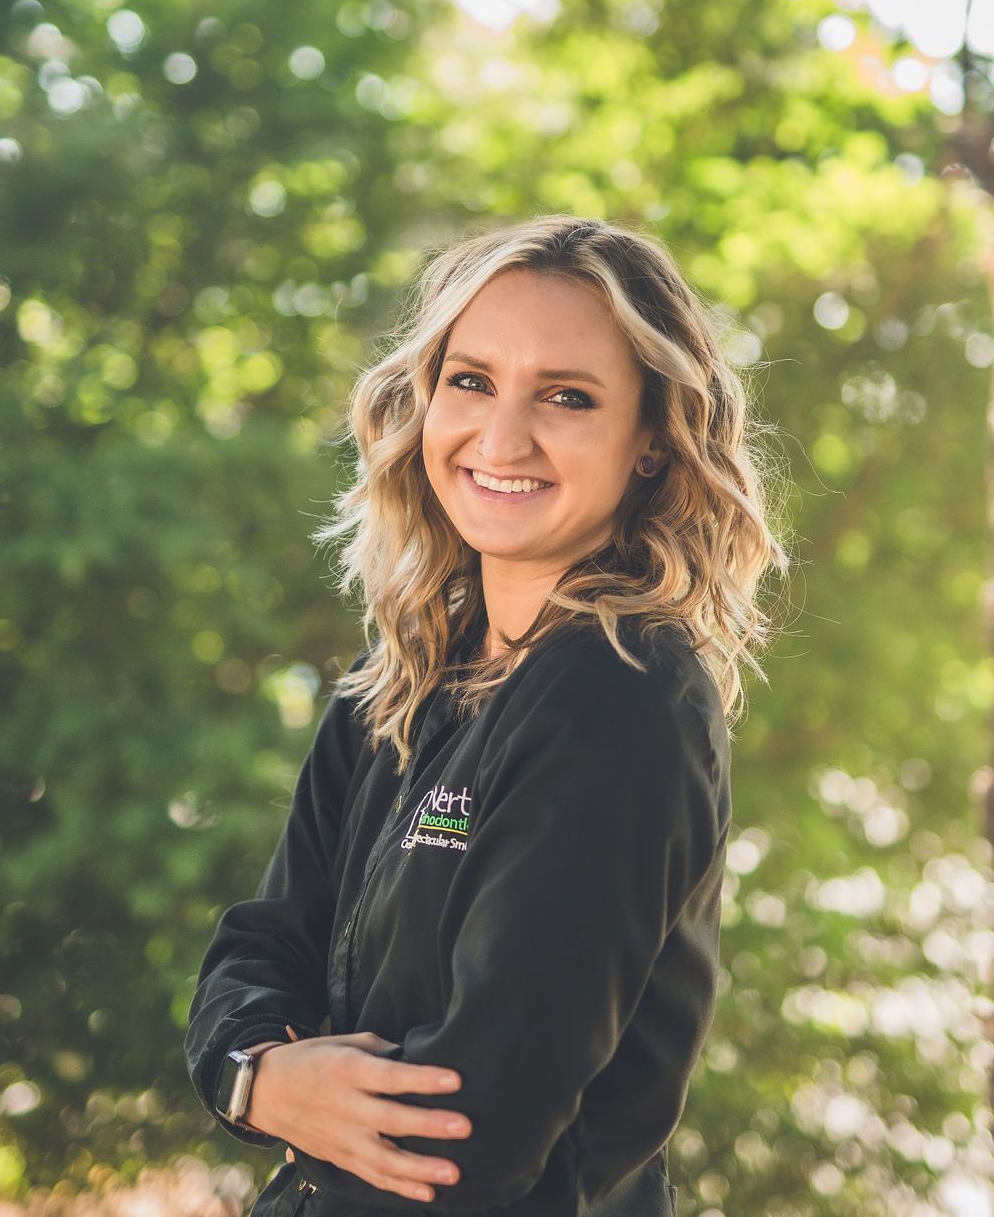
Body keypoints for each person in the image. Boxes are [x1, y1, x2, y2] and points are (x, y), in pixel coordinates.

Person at [184, 215, 790, 1217]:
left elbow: (461, 1144)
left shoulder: (621, 697)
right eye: (470, 380)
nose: (500, 438)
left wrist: (281, 1096)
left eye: (566, 396)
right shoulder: (403, 675)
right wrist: (253, 1078)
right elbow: (257, 949)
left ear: (648, 442)